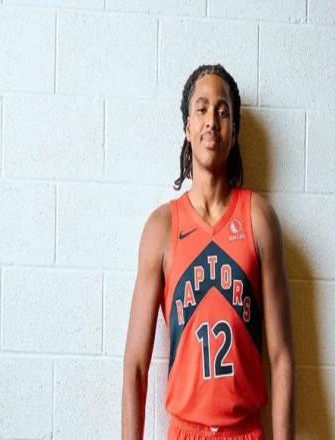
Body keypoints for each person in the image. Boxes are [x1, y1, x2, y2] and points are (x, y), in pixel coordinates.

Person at [122, 64, 294, 440]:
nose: (211, 121)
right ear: (187, 126)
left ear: (234, 130)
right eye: (201, 109)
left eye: (222, 111)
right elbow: (135, 364)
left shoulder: (259, 219)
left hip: (245, 431)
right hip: (186, 431)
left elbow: (281, 357)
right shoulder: (161, 228)